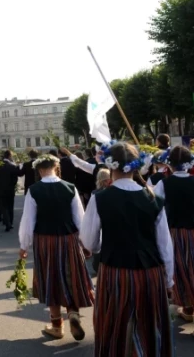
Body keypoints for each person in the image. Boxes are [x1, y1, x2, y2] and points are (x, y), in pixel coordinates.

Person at [80, 142, 173, 356]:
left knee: (115, 327)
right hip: (151, 273)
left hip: (115, 271)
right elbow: (164, 245)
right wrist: (169, 281)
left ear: (110, 166)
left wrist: (105, 245)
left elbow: (89, 241)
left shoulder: (99, 198)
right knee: (149, 327)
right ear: (136, 167)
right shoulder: (153, 198)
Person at [18, 154, 93, 340]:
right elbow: (80, 218)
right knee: (70, 277)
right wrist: (85, 242)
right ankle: (73, 313)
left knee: (51, 279)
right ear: (56, 167)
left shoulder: (34, 190)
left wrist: (24, 245)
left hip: (45, 241)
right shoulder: (70, 188)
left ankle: (57, 325)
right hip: (69, 239)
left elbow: (28, 221)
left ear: (40, 170)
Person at [152, 145, 194, 323]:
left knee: (181, 269)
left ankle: (188, 307)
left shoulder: (163, 183)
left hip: (175, 233)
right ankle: (188, 308)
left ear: (170, 164)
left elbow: (155, 210)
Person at [0, 150, 21, 232]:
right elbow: (15, 178)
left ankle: (7, 223)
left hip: (0, 189)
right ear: (9, 156)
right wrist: (12, 185)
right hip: (10, 189)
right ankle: (11, 222)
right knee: (10, 206)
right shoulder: (12, 166)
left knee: (3, 206)